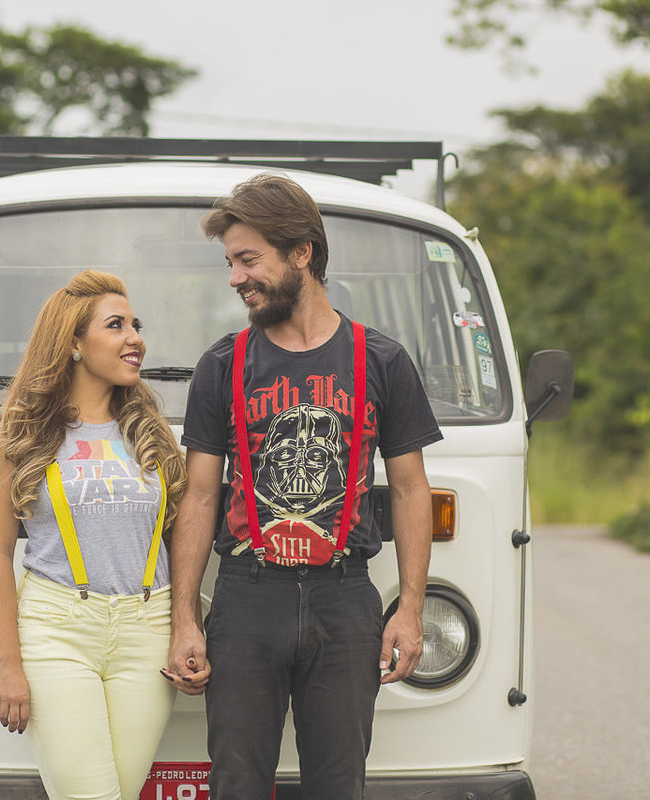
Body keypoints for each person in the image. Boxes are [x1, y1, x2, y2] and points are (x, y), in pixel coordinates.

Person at [162, 174, 444, 799]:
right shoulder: (222, 364)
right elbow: (200, 497)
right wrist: (185, 618)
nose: (235, 277)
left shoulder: (383, 361)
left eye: (248, 260)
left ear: (301, 253)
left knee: (338, 786)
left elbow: (409, 490)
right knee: (235, 784)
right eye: (231, 263)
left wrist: (411, 610)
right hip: (246, 597)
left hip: (345, 602)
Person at [0, 269, 187, 800]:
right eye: (115, 326)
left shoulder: (153, 435)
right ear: (73, 343)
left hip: (147, 630)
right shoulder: (18, 436)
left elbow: (180, 542)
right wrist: (6, 664)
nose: (134, 338)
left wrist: (189, 627)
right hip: (57, 631)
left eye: (135, 325)